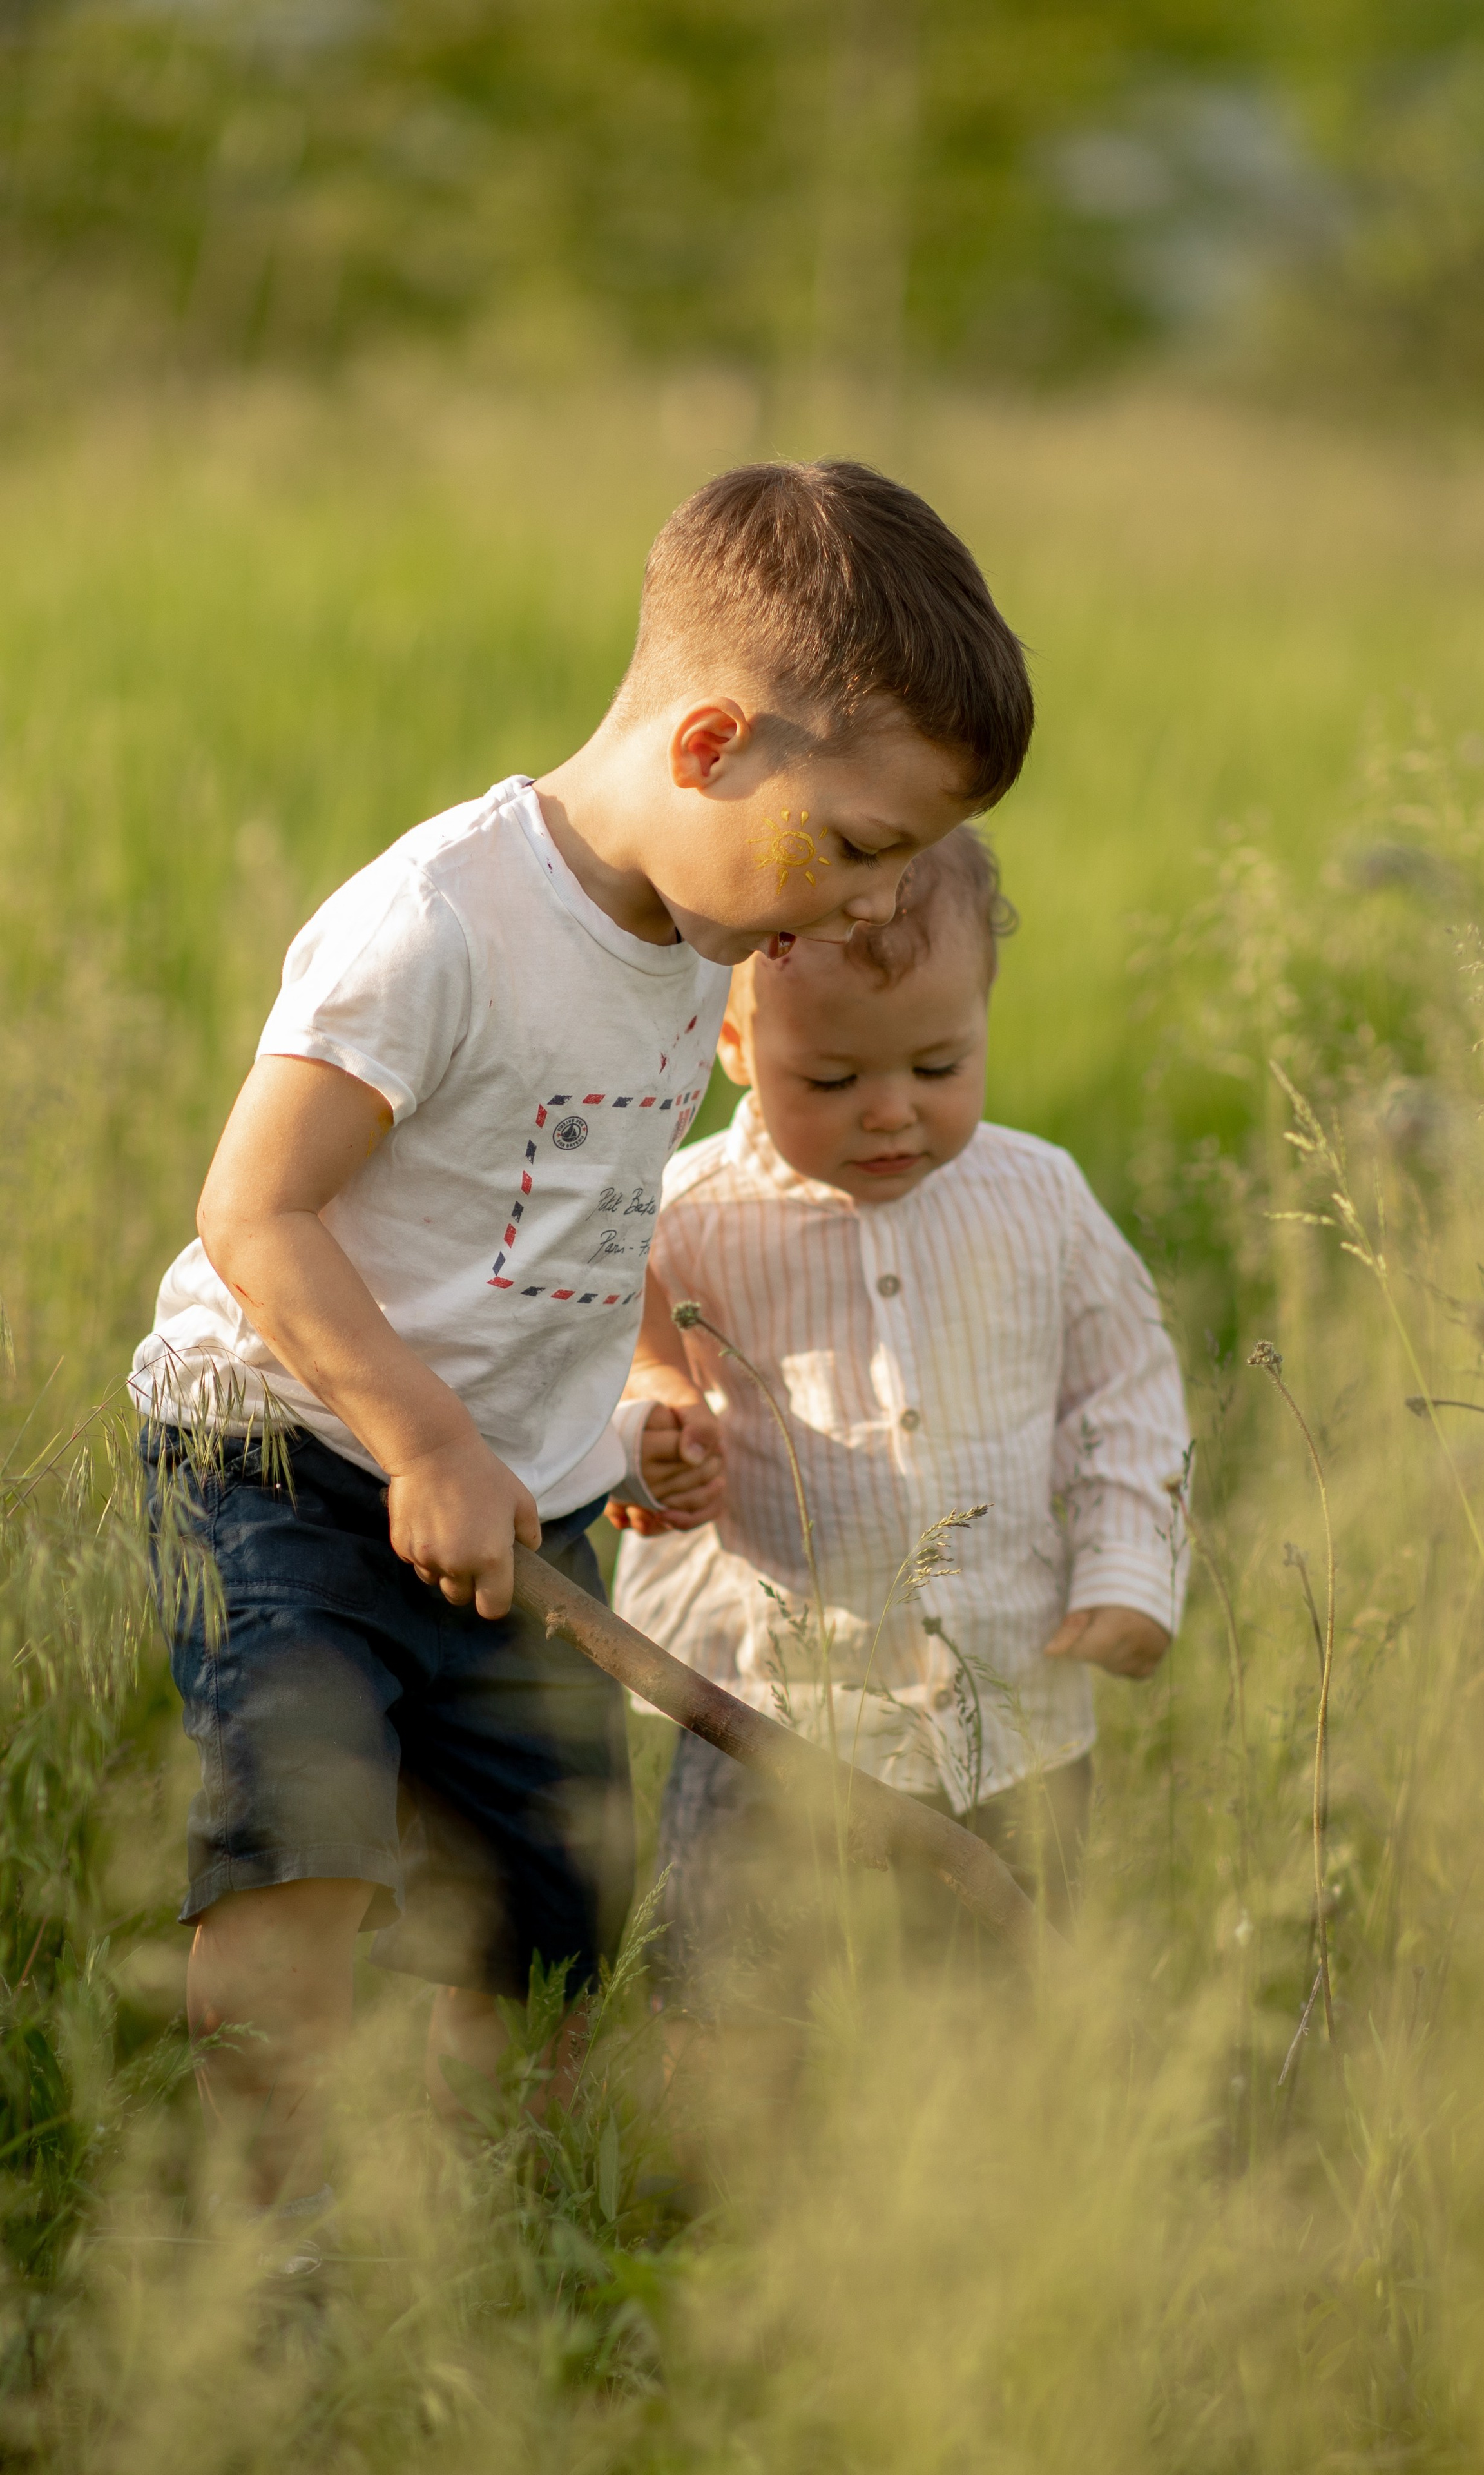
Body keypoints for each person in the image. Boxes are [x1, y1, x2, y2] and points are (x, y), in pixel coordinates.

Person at [129, 459, 1034, 2235]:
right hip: (291, 1462)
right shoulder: (439, 927)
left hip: (515, 1509)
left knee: (548, 1909)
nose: (864, 910)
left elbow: (579, 1200)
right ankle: (261, 2233)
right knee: (297, 1834)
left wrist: (644, 1382)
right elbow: (258, 1214)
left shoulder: (701, 932)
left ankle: (488, 2227)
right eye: (860, 849)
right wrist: (424, 1441)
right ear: (708, 748)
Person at [610, 828, 1190, 2026]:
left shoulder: (1041, 1202)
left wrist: (1133, 1565)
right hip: (767, 1713)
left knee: (1004, 1997)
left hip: (1007, 1709)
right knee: (737, 1993)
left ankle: (988, 2177)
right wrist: (651, 1436)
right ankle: (722, 2183)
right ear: (732, 1044)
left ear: (984, 1017)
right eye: (831, 1081)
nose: (891, 1115)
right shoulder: (690, 1217)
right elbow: (610, 1353)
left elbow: (1128, 1387)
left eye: (938, 1067)